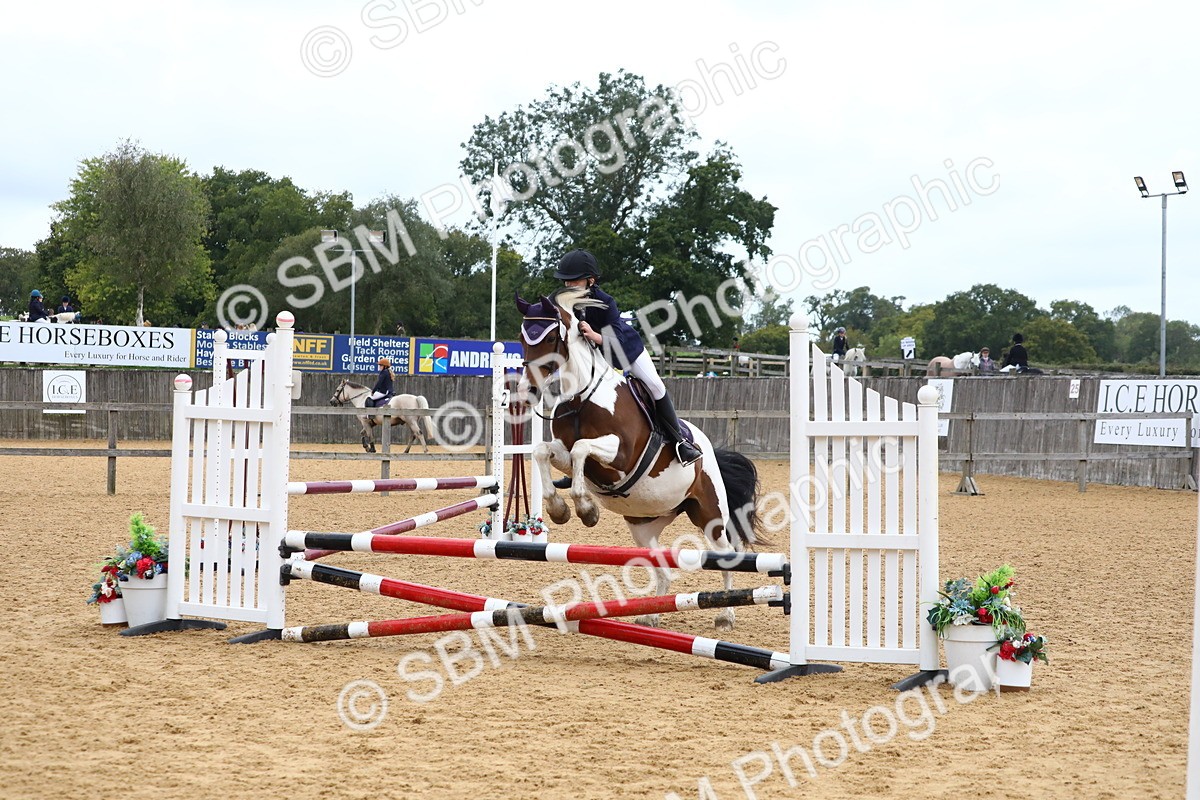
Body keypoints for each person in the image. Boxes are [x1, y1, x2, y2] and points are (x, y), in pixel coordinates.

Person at [549, 249, 702, 489]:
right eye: (566, 280)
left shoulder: (605, 302)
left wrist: (595, 336)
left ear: (591, 280)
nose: (568, 284)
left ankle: (680, 442)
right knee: (579, 398)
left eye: (574, 280)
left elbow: (617, 341)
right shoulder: (560, 301)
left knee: (655, 386)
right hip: (593, 359)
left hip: (626, 351)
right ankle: (576, 465)